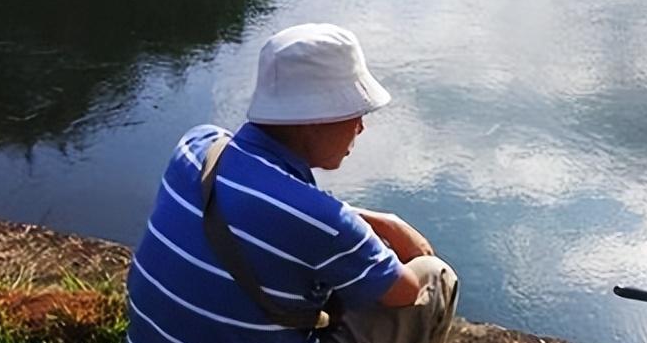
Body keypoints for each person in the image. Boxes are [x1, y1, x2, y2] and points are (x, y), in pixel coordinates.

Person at [127, 23, 458, 343]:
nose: (360, 127)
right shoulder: (325, 222)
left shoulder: (197, 146)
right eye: (354, 112)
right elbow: (408, 291)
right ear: (315, 120)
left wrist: (369, 218)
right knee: (434, 276)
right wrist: (393, 227)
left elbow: (256, 205)